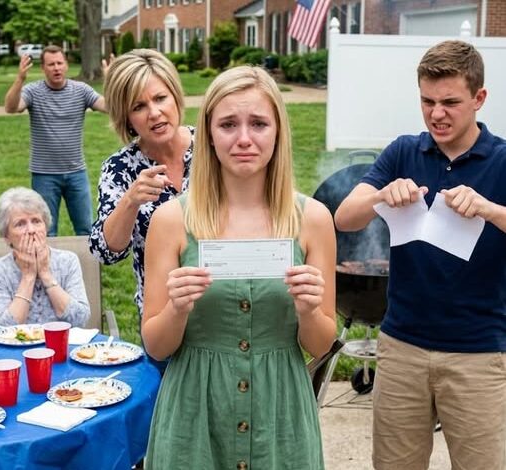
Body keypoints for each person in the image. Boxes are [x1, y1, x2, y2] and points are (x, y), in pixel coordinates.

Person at [141, 65, 337, 469]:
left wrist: (308, 311)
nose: (244, 138)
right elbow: (156, 346)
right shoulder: (171, 220)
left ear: (278, 132)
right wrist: (176, 309)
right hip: (195, 417)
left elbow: (320, 345)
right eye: (228, 124)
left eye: (259, 124)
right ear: (209, 134)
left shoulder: (314, 219)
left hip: (279, 418)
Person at [335, 40, 506, 470]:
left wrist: (489, 209)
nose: (436, 114)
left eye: (450, 102)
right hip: (401, 347)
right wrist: (381, 194)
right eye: (427, 101)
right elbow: (344, 217)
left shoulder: (502, 160)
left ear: (479, 98)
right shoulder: (403, 151)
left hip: (479, 353)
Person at [89, 49, 193, 356]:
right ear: (127, 118)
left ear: (175, 96)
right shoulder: (119, 168)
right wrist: (130, 201)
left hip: (221, 310)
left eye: (160, 98)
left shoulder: (213, 148)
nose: (155, 113)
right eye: (139, 106)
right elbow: (105, 251)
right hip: (161, 320)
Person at [4, 45, 107, 237]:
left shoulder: (81, 90)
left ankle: (86, 259)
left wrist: (111, 80)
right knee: (46, 231)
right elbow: (11, 107)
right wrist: (20, 79)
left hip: (76, 172)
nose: (56, 68)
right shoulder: (33, 91)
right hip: (44, 175)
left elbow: (109, 107)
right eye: (51, 64)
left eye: (60, 63)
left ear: (66, 65)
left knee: (86, 230)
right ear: (43, 68)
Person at [0, 187, 90, 327]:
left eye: (36, 221)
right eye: (20, 224)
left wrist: (45, 273)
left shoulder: (68, 261)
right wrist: (28, 276)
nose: (31, 230)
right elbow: (1, 328)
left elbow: (80, 319)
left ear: (46, 227)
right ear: (6, 236)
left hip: (63, 340)